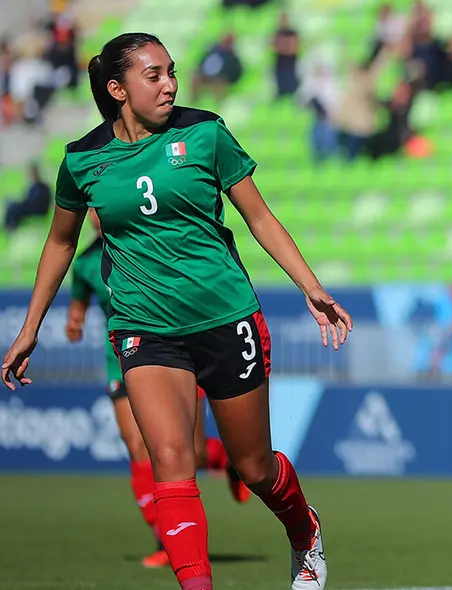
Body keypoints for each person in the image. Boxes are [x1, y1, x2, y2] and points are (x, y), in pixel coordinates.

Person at [1, 33, 352, 590]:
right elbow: (61, 242)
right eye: (154, 75)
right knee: (168, 461)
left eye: (171, 72)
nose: (169, 85)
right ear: (117, 89)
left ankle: (303, 530)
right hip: (144, 328)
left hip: (225, 317)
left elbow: (259, 217)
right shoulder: (83, 159)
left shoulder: (205, 132)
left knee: (254, 467)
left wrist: (311, 287)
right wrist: (30, 328)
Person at [65, 209, 252, 569]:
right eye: (90, 209)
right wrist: (75, 322)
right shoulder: (86, 264)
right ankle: (166, 538)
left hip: (174, 356)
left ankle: (226, 460)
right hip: (121, 360)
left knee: (190, 455)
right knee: (139, 447)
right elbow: (78, 308)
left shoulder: (149, 242)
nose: (97, 216)